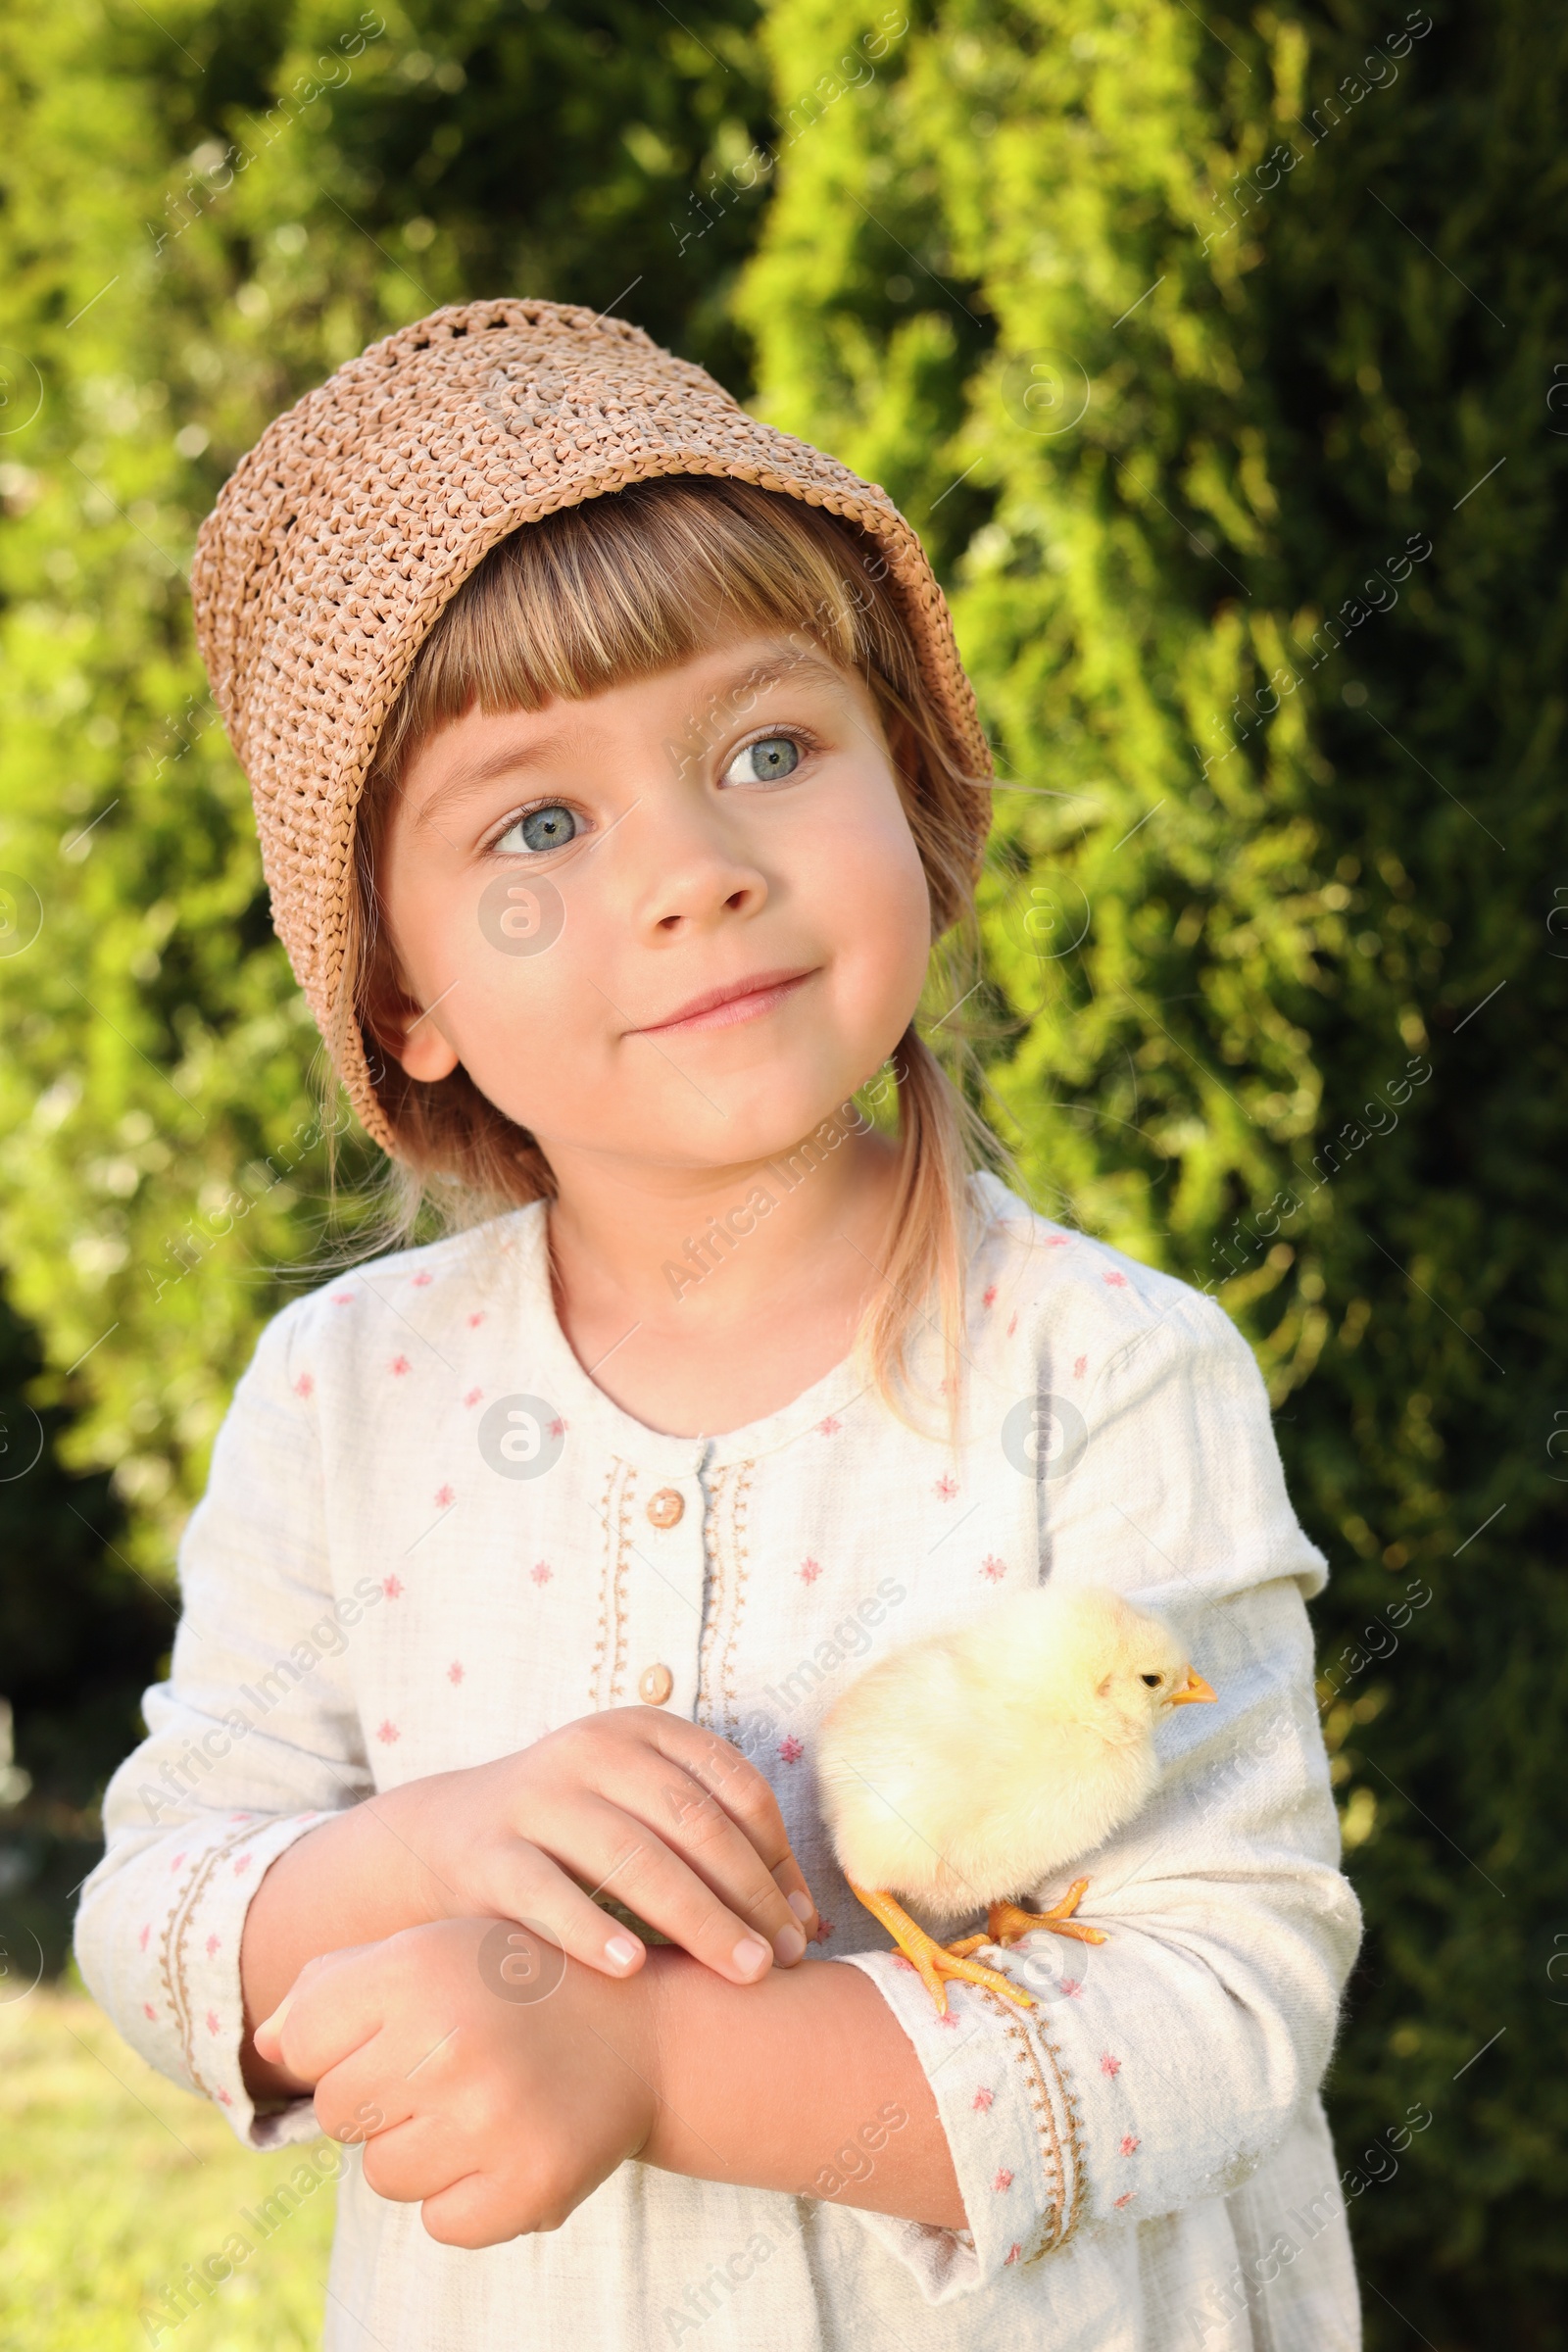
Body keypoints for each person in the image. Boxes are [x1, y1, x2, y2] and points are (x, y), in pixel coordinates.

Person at [75, 298, 1361, 2351]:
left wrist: (658, 2071)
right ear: (401, 997)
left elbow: (1221, 1994)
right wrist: (431, 1848)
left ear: (915, 794)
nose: (692, 871)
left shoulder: (1106, 1372)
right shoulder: (346, 1404)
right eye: (538, 827)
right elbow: (151, 1927)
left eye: (768, 750)